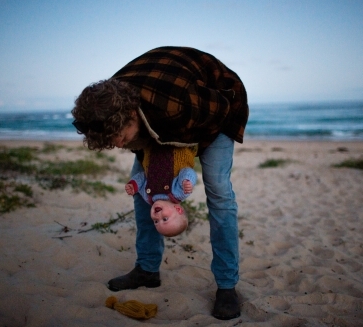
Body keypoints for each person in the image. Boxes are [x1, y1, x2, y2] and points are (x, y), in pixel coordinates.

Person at [71, 46, 249, 320]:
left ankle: (227, 286)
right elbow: (133, 150)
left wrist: (184, 160)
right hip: (161, 118)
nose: (118, 146)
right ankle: (147, 269)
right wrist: (158, 177)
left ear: (131, 116)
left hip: (217, 108)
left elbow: (221, 109)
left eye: (120, 138)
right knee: (145, 193)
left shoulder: (178, 105)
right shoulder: (109, 104)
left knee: (219, 194)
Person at [125, 144, 198, 237]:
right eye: (165, 219)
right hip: (177, 148)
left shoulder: (148, 197)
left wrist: (134, 185)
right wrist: (187, 181)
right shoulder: (179, 193)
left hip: (152, 148)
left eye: (156, 221)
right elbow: (187, 170)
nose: (157, 217)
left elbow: (142, 177)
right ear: (178, 209)